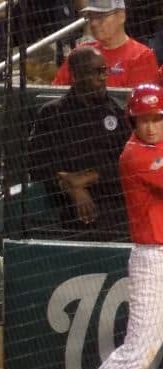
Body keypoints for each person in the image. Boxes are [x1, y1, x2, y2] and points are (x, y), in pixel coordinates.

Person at [47, 83, 163, 369]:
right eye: (143, 120)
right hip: (153, 258)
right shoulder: (135, 156)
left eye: (157, 118)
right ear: (132, 120)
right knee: (139, 350)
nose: (151, 127)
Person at [29, 45, 131, 242]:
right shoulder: (51, 114)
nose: (103, 77)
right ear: (75, 76)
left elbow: (127, 164)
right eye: (96, 72)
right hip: (64, 211)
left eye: (104, 70)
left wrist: (88, 178)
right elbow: (37, 161)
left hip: (114, 211)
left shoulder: (118, 114)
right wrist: (72, 188)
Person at [51, 0, 157, 89]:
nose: (93, 23)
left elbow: (140, 107)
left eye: (100, 16)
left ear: (121, 16)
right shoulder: (81, 53)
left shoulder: (141, 56)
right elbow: (55, 93)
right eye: (91, 17)